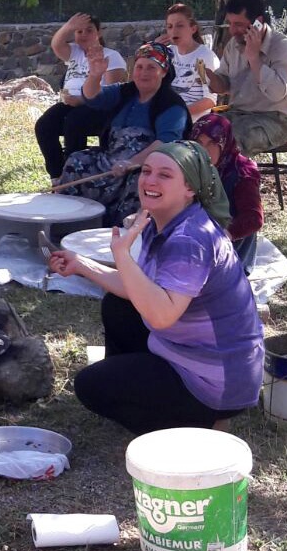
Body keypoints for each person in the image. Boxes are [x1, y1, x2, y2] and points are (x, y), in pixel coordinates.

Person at [50, 143, 264, 434]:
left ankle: (196, 425)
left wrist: (122, 256)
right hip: (198, 359)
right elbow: (139, 287)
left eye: (165, 175)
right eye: (146, 171)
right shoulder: (165, 220)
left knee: (91, 385)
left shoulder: (189, 240)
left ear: (190, 188)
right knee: (118, 306)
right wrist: (82, 265)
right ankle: (140, 386)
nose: (150, 180)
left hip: (217, 382)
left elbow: (162, 316)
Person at [58, 41, 191, 226]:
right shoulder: (124, 92)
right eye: (140, 67)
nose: (144, 73)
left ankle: (117, 232)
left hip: (143, 166)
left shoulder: (171, 105)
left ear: (164, 72)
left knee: (140, 182)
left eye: (151, 67)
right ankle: (68, 222)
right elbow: (92, 96)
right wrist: (95, 75)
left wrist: (132, 163)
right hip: (110, 160)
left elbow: (166, 143)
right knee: (77, 161)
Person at [35, 13, 129, 181]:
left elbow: (111, 92)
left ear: (99, 33)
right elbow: (56, 44)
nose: (84, 35)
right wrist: (69, 26)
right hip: (69, 104)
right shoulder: (75, 52)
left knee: (74, 122)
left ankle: (75, 175)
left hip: (98, 105)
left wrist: (82, 100)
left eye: (89, 30)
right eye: (79, 32)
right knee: (44, 125)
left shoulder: (111, 56)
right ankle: (57, 176)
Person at [207, 0, 287, 156]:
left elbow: (277, 93)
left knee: (233, 139)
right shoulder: (233, 46)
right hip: (237, 115)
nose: (232, 30)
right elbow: (225, 85)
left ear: (257, 22)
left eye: (238, 24)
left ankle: (236, 180)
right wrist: (211, 79)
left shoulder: (285, 47)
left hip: (274, 120)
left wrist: (254, 58)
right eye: (230, 23)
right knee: (201, 132)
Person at [189, 114, 262, 273]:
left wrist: (221, 238)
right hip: (194, 237)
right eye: (199, 143)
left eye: (212, 143)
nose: (204, 150)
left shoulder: (242, 171)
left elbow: (253, 219)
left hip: (230, 244)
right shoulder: (190, 165)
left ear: (225, 143)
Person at [163, 3, 219, 121]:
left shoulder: (203, 58)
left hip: (191, 123)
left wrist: (179, 113)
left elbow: (209, 100)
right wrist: (154, 47)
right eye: (170, 26)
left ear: (193, 28)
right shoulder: (168, 53)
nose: (174, 31)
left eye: (180, 26)